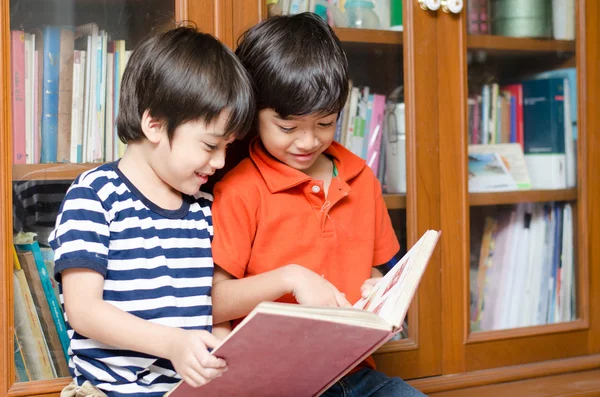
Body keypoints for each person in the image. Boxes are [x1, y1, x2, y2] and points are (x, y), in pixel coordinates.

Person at [210, 12, 426, 397]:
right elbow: (215, 302)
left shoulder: (361, 179)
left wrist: (378, 291)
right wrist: (291, 277)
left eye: (325, 123)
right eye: (288, 127)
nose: (307, 142)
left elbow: (375, 270)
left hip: (352, 372)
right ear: (253, 112)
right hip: (269, 382)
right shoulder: (241, 190)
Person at [48, 25, 255, 397]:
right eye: (210, 145)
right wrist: (173, 344)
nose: (221, 161)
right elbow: (84, 311)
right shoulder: (95, 195)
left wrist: (220, 351)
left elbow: (213, 309)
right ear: (155, 124)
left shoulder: (205, 210)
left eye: (227, 146)